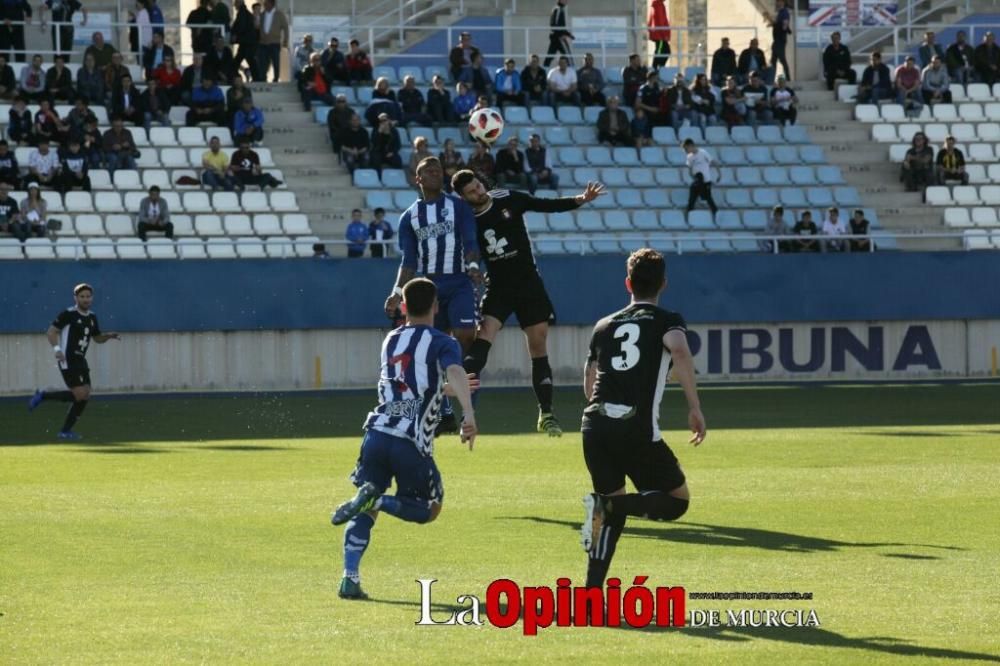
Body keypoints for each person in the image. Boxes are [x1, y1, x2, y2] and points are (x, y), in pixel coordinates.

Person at [331, 277, 477, 600]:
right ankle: (378, 499)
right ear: (437, 308)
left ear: (405, 307)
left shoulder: (391, 341)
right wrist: (468, 411)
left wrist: (451, 389)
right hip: (409, 440)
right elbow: (452, 371)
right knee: (431, 507)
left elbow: (416, 385)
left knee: (365, 511)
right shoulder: (443, 342)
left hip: (376, 432)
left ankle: (349, 577)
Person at [579, 248, 705, 589]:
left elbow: (589, 379)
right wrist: (694, 406)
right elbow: (678, 348)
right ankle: (608, 505)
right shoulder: (667, 320)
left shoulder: (604, 325)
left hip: (594, 425)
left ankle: (591, 592)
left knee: (608, 516)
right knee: (677, 501)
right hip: (634, 427)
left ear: (627, 283)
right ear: (663, 284)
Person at [453, 170, 606, 435]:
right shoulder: (466, 220)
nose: (479, 191)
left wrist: (580, 199)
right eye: (472, 192)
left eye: (478, 185)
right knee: (485, 334)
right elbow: (465, 250)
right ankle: (455, 393)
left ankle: (546, 413)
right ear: (464, 198)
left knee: (538, 344)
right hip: (499, 286)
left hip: (528, 284)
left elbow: (543, 205)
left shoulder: (507, 198)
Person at [383, 157, 481, 436]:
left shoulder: (458, 206)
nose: (436, 174)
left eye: (438, 170)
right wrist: (396, 293)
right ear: (419, 179)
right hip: (429, 287)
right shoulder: (409, 217)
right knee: (427, 349)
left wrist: (473, 266)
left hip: (460, 281)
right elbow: (409, 261)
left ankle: (455, 384)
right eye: (429, 171)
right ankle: (445, 409)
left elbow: (471, 241)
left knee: (465, 334)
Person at [28, 284, 121, 440]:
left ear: (92, 298)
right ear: (76, 298)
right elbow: (51, 331)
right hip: (68, 358)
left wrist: (108, 336)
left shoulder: (92, 317)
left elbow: (97, 338)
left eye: (88, 296)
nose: (85, 299)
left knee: (84, 395)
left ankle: (65, 431)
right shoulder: (68, 314)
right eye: (82, 296)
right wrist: (57, 349)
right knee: (80, 394)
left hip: (80, 360)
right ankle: (44, 396)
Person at [683, 138, 718, 215]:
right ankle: (689, 214)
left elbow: (713, 161)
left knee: (709, 199)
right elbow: (690, 170)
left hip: (706, 181)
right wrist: (694, 178)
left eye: (686, 149)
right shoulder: (689, 157)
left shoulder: (703, 152)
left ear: (690, 146)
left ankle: (715, 213)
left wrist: (719, 173)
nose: (686, 151)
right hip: (697, 180)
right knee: (692, 199)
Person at [258, 0, 288, 83]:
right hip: (263, 42)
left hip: (275, 42)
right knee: (263, 61)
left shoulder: (279, 14)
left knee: (275, 61)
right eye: (264, 4)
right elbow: (258, 26)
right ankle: (263, 78)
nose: (264, 5)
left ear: (271, 4)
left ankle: (276, 78)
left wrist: (285, 40)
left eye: (266, 3)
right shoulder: (262, 14)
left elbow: (285, 27)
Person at [230, 0, 259, 82]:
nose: (234, 5)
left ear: (240, 3)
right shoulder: (244, 13)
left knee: (242, 60)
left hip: (246, 42)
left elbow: (241, 27)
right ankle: (256, 78)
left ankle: (256, 78)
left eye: (235, 3)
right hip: (246, 42)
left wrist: (235, 36)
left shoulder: (242, 13)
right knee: (245, 59)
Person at [767, 0, 792, 81]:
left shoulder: (784, 12)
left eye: (778, 1)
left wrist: (775, 24)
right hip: (777, 40)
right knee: (773, 60)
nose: (776, 3)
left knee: (782, 59)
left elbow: (784, 26)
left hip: (780, 40)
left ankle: (788, 78)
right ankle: (771, 78)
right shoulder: (780, 12)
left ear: (782, 2)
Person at [544, 0, 573, 68]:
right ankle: (572, 71)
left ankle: (544, 70)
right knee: (568, 55)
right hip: (558, 37)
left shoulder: (560, 9)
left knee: (550, 56)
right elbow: (554, 24)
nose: (567, 1)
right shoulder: (558, 9)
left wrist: (568, 34)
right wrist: (561, 34)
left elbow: (561, 26)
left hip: (556, 36)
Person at [648, 0, 670, 69]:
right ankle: (656, 68)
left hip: (658, 33)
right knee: (663, 51)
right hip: (660, 35)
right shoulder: (658, 5)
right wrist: (664, 35)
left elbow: (651, 20)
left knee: (660, 51)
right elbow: (660, 21)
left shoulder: (657, 4)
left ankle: (657, 68)